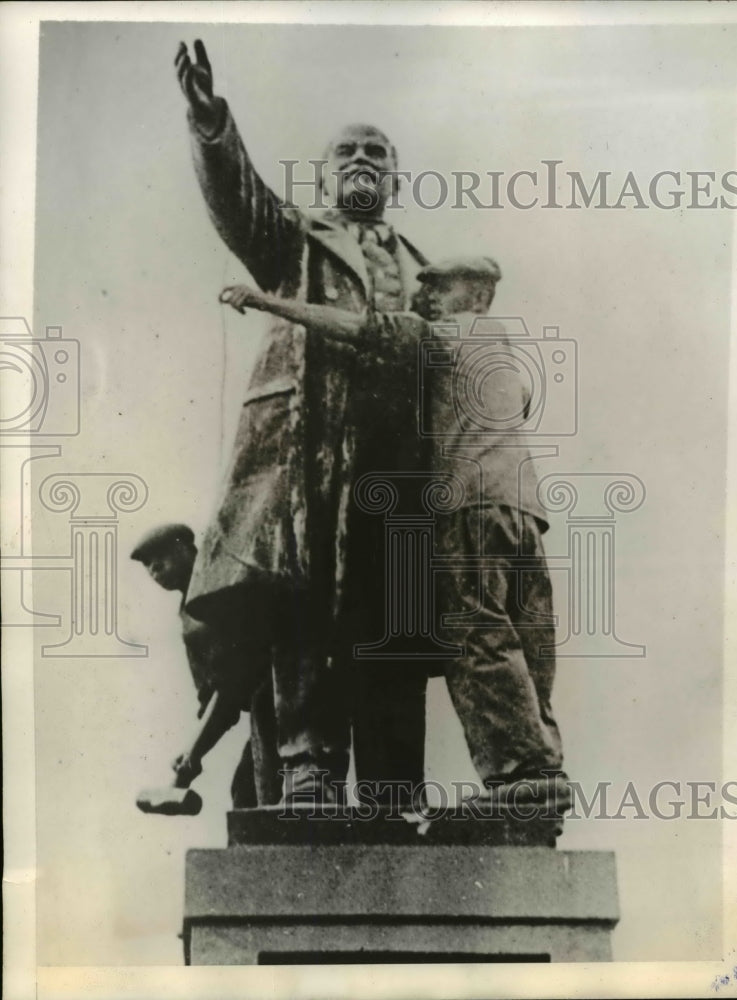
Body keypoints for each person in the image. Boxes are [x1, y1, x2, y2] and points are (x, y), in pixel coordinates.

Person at [174, 40, 429, 803]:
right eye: (345, 150)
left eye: (375, 151)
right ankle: (309, 764)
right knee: (307, 598)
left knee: (397, 610)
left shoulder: (429, 268)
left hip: (404, 456)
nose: (361, 158)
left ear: (394, 175)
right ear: (323, 174)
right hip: (313, 441)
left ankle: (392, 784)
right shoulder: (294, 241)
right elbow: (238, 201)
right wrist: (209, 122)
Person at [219, 256, 569, 808]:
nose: (424, 295)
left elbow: (352, 326)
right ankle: (544, 766)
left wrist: (265, 301)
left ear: (476, 294)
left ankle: (518, 775)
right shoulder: (505, 352)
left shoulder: (434, 335)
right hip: (524, 508)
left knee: (475, 631)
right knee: (529, 640)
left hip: (468, 506)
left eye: (438, 287)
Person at [131, 523, 282, 808]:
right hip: (264, 704)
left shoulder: (225, 587)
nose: (154, 571)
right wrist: (193, 751)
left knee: (261, 793)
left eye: (160, 559)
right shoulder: (188, 618)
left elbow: (234, 683)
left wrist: (195, 754)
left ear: (186, 550)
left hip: (286, 691)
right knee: (247, 793)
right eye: (148, 565)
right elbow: (218, 696)